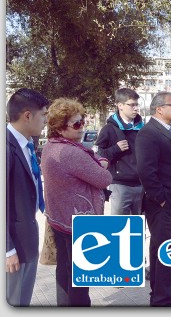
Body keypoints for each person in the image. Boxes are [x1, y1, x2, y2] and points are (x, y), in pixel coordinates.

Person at [41, 98, 112, 306]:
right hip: (79, 223)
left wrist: (97, 163)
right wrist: (102, 163)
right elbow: (104, 179)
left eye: (83, 121)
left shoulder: (51, 147)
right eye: (77, 124)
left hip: (60, 220)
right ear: (61, 129)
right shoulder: (71, 152)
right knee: (81, 278)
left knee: (64, 271)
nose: (83, 128)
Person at [135, 92, 171, 307]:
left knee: (162, 249)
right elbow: (146, 172)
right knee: (167, 250)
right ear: (159, 109)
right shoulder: (149, 133)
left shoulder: (168, 132)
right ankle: (164, 300)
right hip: (162, 204)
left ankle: (162, 295)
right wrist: (162, 200)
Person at [6, 88, 49, 306]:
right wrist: (7, 249)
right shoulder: (6, 147)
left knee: (23, 302)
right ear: (28, 115)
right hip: (12, 247)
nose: (45, 122)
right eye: (43, 116)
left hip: (28, 239)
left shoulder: (27, 145)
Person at [95, 88, 144, 215]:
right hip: (119, 185)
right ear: (120, 105)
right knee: (119, 228)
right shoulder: (109, 129)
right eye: (131, 105)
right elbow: (98, 156)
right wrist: (115, 149)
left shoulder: (142, 128)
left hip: (141, 185)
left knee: (136, 229)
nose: (135, 108)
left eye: (136, 104)